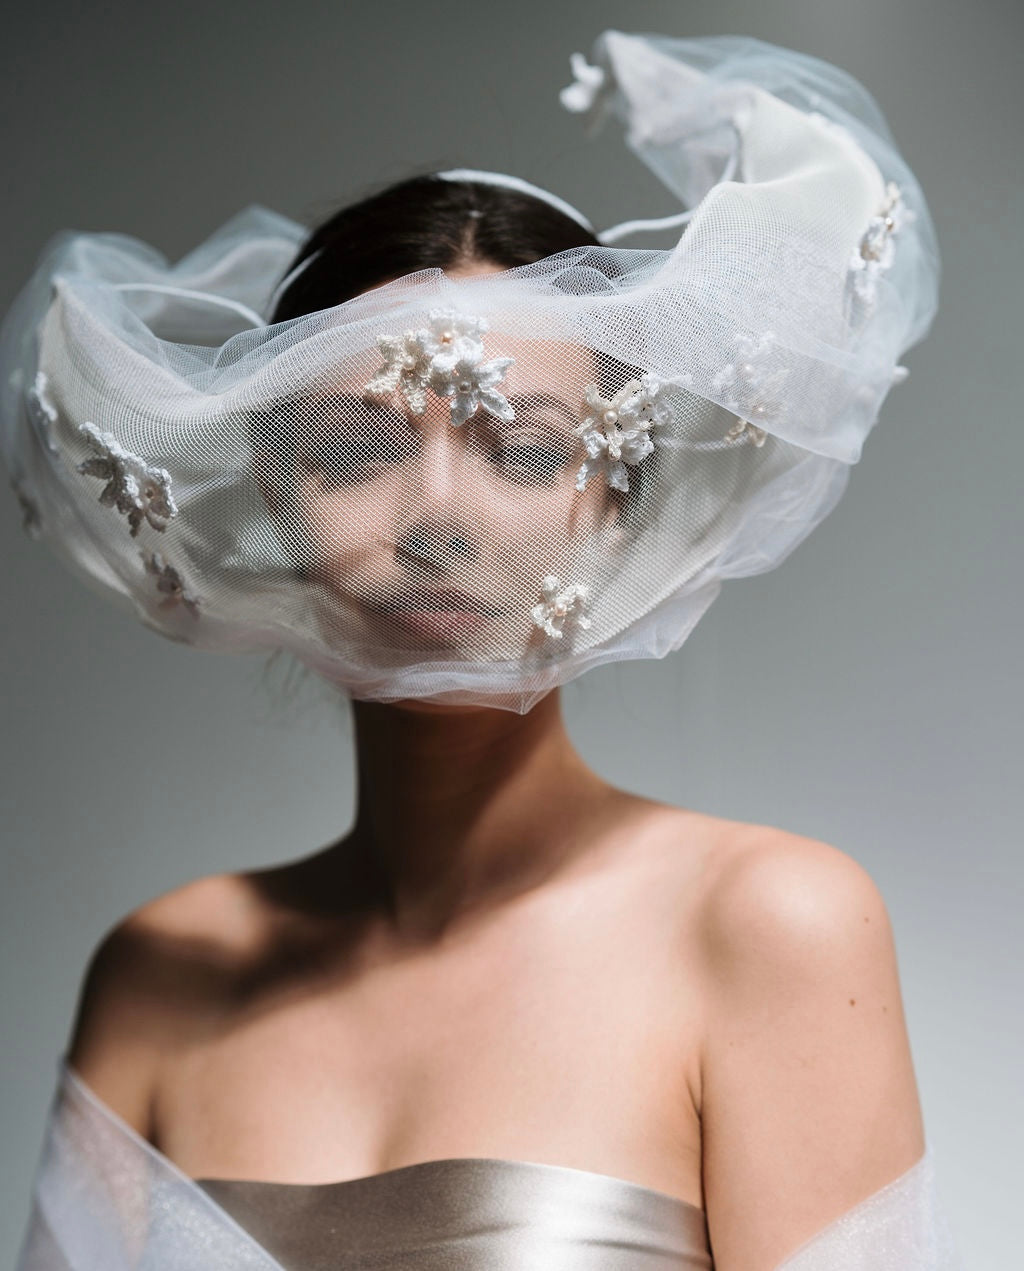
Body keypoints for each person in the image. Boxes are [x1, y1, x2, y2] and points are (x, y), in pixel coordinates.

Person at [5, 31, 962, 1271]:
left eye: (523, 448)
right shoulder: (162, 972)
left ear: (614, 503)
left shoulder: (768, 926)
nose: (437, 519)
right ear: (269, 497)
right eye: (354, 449)